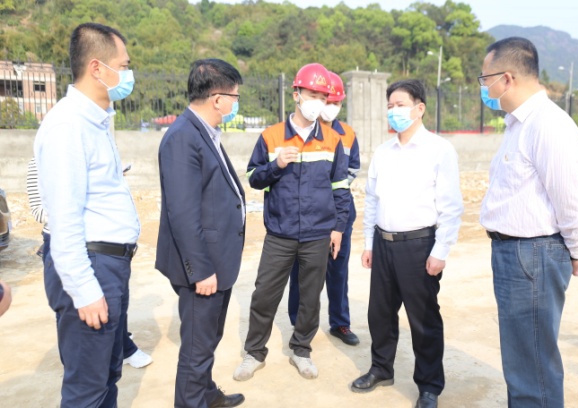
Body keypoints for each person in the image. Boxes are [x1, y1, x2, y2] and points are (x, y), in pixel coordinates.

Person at [478, 37, 578, 407]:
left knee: (533, 365)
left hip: (533, 255)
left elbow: (570, 198)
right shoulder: (517, 125)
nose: (484, 88)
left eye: (485, 79)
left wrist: (576, 250)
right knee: (521, 357)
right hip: (516, 254)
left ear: (506, 78)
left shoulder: (548, 125)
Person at [34, 22, 140, 407]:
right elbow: (64, 219)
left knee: (107, 377)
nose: (128, 74)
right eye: (123, 66)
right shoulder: (68, 126)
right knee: (87, 390)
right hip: (92, 267)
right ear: (97, 68)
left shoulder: (95, 120)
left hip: (109, 265)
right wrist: (84, 290)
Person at [233, 63, 350, 381]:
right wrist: (276, 165)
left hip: (317, 234)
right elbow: (253, 178)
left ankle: (301, 350)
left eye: (323, 97)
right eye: (312, 94)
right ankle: (254, 353)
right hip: (280, 234)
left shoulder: (332, 140)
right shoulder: (271, 136)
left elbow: (340, 188)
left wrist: (338, 228)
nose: (317, 102)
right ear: (296, 93)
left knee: (310, 297)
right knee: (264, 294)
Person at [351, 79, 463, 408]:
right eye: (389, 106)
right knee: (380, 314)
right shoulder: (383, 153)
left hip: (419, 245)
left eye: (400, 105)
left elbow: (451, 207)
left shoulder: (439, 150)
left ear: (419, 108)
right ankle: (381, 368)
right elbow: (372, 200)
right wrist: (369, 243)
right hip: (383, 243)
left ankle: (429, 386)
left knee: (423, 319)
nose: (393, 111)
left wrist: (440, 251)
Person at [156, 58, 246, 408]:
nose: (236, 103)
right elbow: (182, 213)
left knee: (206, 342)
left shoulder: (202, 133)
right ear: (218, 99)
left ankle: (207, 395)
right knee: (196, 350)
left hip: (216, 262)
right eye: (235, 96)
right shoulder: (183, 137)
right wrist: (201, 269)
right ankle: (193, 400)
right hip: (203, 269)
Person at [26, 157, 152, 369]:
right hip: (72, 245)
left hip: (106, 246)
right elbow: (38, 211)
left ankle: (123, 347)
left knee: (115, 306)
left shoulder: (89, 155)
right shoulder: (41, 159)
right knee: (76, 317)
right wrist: (87, 200)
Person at [287, 71, 360, 346]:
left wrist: (329, 189)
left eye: (336, 102)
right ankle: (298, 322)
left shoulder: (348, 134)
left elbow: (352, 169)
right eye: (327, 101)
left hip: (340, 211)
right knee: (302, 270)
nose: (330, 107)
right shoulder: (304, 129)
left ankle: (340, 322)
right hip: (309, 212)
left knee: (338, 269)